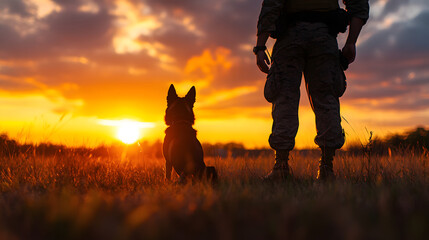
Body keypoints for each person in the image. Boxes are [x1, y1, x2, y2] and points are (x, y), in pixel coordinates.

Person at [255, 0, 369, 181]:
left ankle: (281, 167)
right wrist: (351, 42)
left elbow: (272, 5)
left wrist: (260, 46)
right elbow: (359, 4)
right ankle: (326, 168)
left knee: (284, 98)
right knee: (326, 99)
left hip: (289, 38)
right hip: (323, 39)